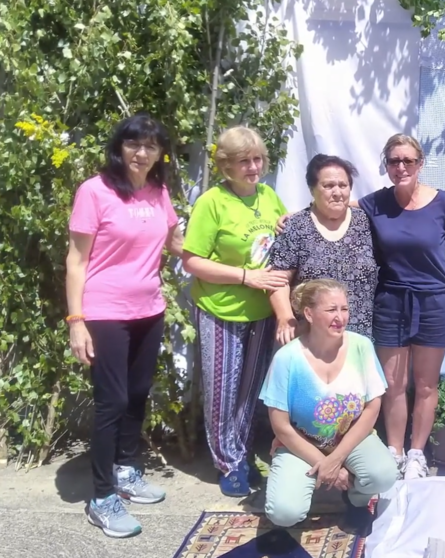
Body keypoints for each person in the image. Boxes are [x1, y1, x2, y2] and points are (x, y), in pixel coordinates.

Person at [66, 113, 183, 538]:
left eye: (150, 146)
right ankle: (101, 497)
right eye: (134, 144)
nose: (141, 153)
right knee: (111, 401)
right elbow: (76, 261)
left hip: (149, 309)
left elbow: (173, 239)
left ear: (159, 153)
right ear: (119, 148)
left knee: (136, 394)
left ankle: (126, 470)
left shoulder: (158, 191)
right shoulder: (94, 192)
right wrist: (76, 321)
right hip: (104, 311)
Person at [181, 126, 290, 497]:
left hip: (262, 311)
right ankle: (226, 462)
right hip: (221, 309)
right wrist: (245, 276)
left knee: (248, 392)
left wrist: (284, 224)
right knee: (222, 391)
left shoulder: (268, 196)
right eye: (244, 160)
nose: (253, 166)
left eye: (257, 158)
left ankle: (239, 454)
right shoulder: (212, 201)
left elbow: (282, 237)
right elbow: (192, 260)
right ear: (226, 165)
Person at [358, 134, 445, 480]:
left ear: (420, 164)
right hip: (391, 301)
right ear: (386, 165)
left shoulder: (442, 202)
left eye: (408, 160)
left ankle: (417, 454)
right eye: (394, 161)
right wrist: (291, 217)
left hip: (435, 303)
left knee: (425, 385)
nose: (401, 167)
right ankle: (394, 452)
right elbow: (335, 206)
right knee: (393, 384)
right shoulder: (375, 203)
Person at [262, 279, 397, 533]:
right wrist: (327, 466)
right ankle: (303, 491)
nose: (340, 317)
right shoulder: (286, 358)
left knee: (383, 475)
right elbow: (281, 426)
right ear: (309, 314)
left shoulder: (361, 346)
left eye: (344, 309)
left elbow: (372, 408)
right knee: (283, 512)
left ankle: (356, 501)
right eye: (331, 310)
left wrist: (336, 459)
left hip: (350, 438)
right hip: (300, 443)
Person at [268, 154, 377, 345]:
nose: (337, 192)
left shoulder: (365, 222)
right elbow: (278, 279)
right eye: (328, 186)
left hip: (359, 338)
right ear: (312, 189)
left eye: (343, 185)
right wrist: (285, 317)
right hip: (310, 338)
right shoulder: (296, 226)